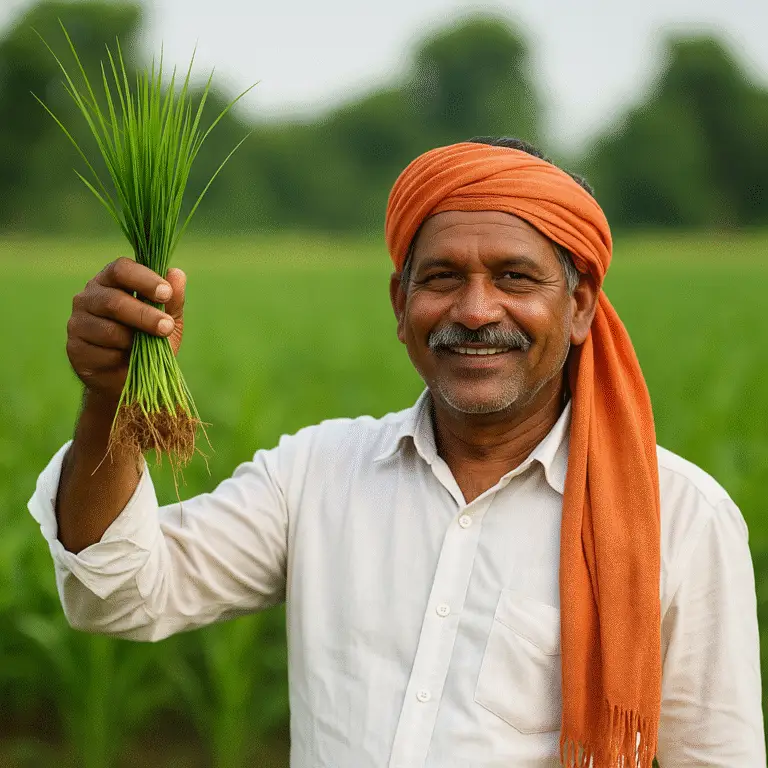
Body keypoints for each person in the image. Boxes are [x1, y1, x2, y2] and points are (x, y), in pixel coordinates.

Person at [28, 138, 764, 768]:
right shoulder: (318, 474)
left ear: (578, 306)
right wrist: (107, 400)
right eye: (442, 278)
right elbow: (115, 594)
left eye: (515, 276)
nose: (475, 311)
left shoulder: (681, 518)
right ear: (400, 303)